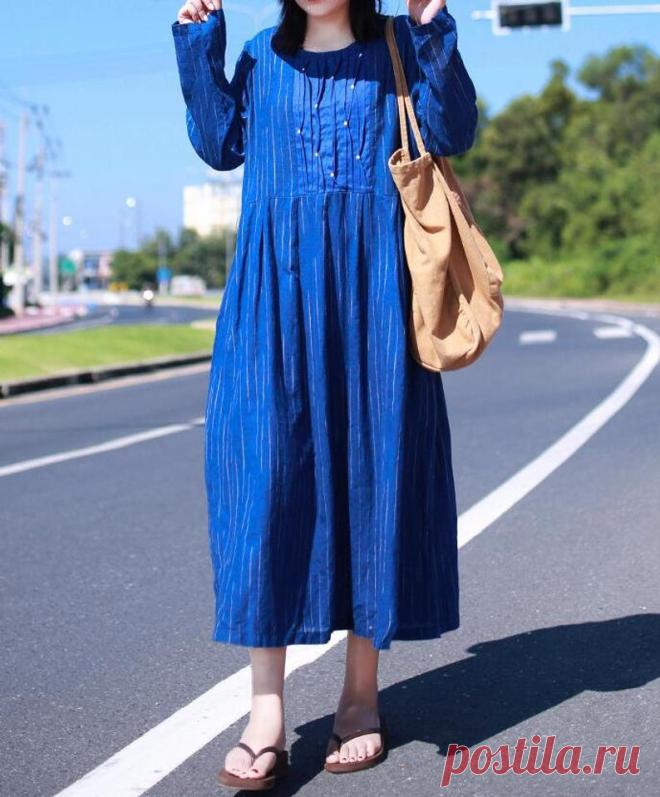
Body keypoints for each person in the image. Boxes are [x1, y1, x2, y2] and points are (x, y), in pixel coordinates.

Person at [172, 0, 478, 788]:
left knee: (375, 474)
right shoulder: (262, 59)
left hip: (375, 299)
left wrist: (433, 26)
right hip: (271, 304)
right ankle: (265, 710)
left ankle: (360, 691)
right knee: (263, 484)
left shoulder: (398, 50)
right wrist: (196, 40)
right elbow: (217, 144)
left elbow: (453, 128)